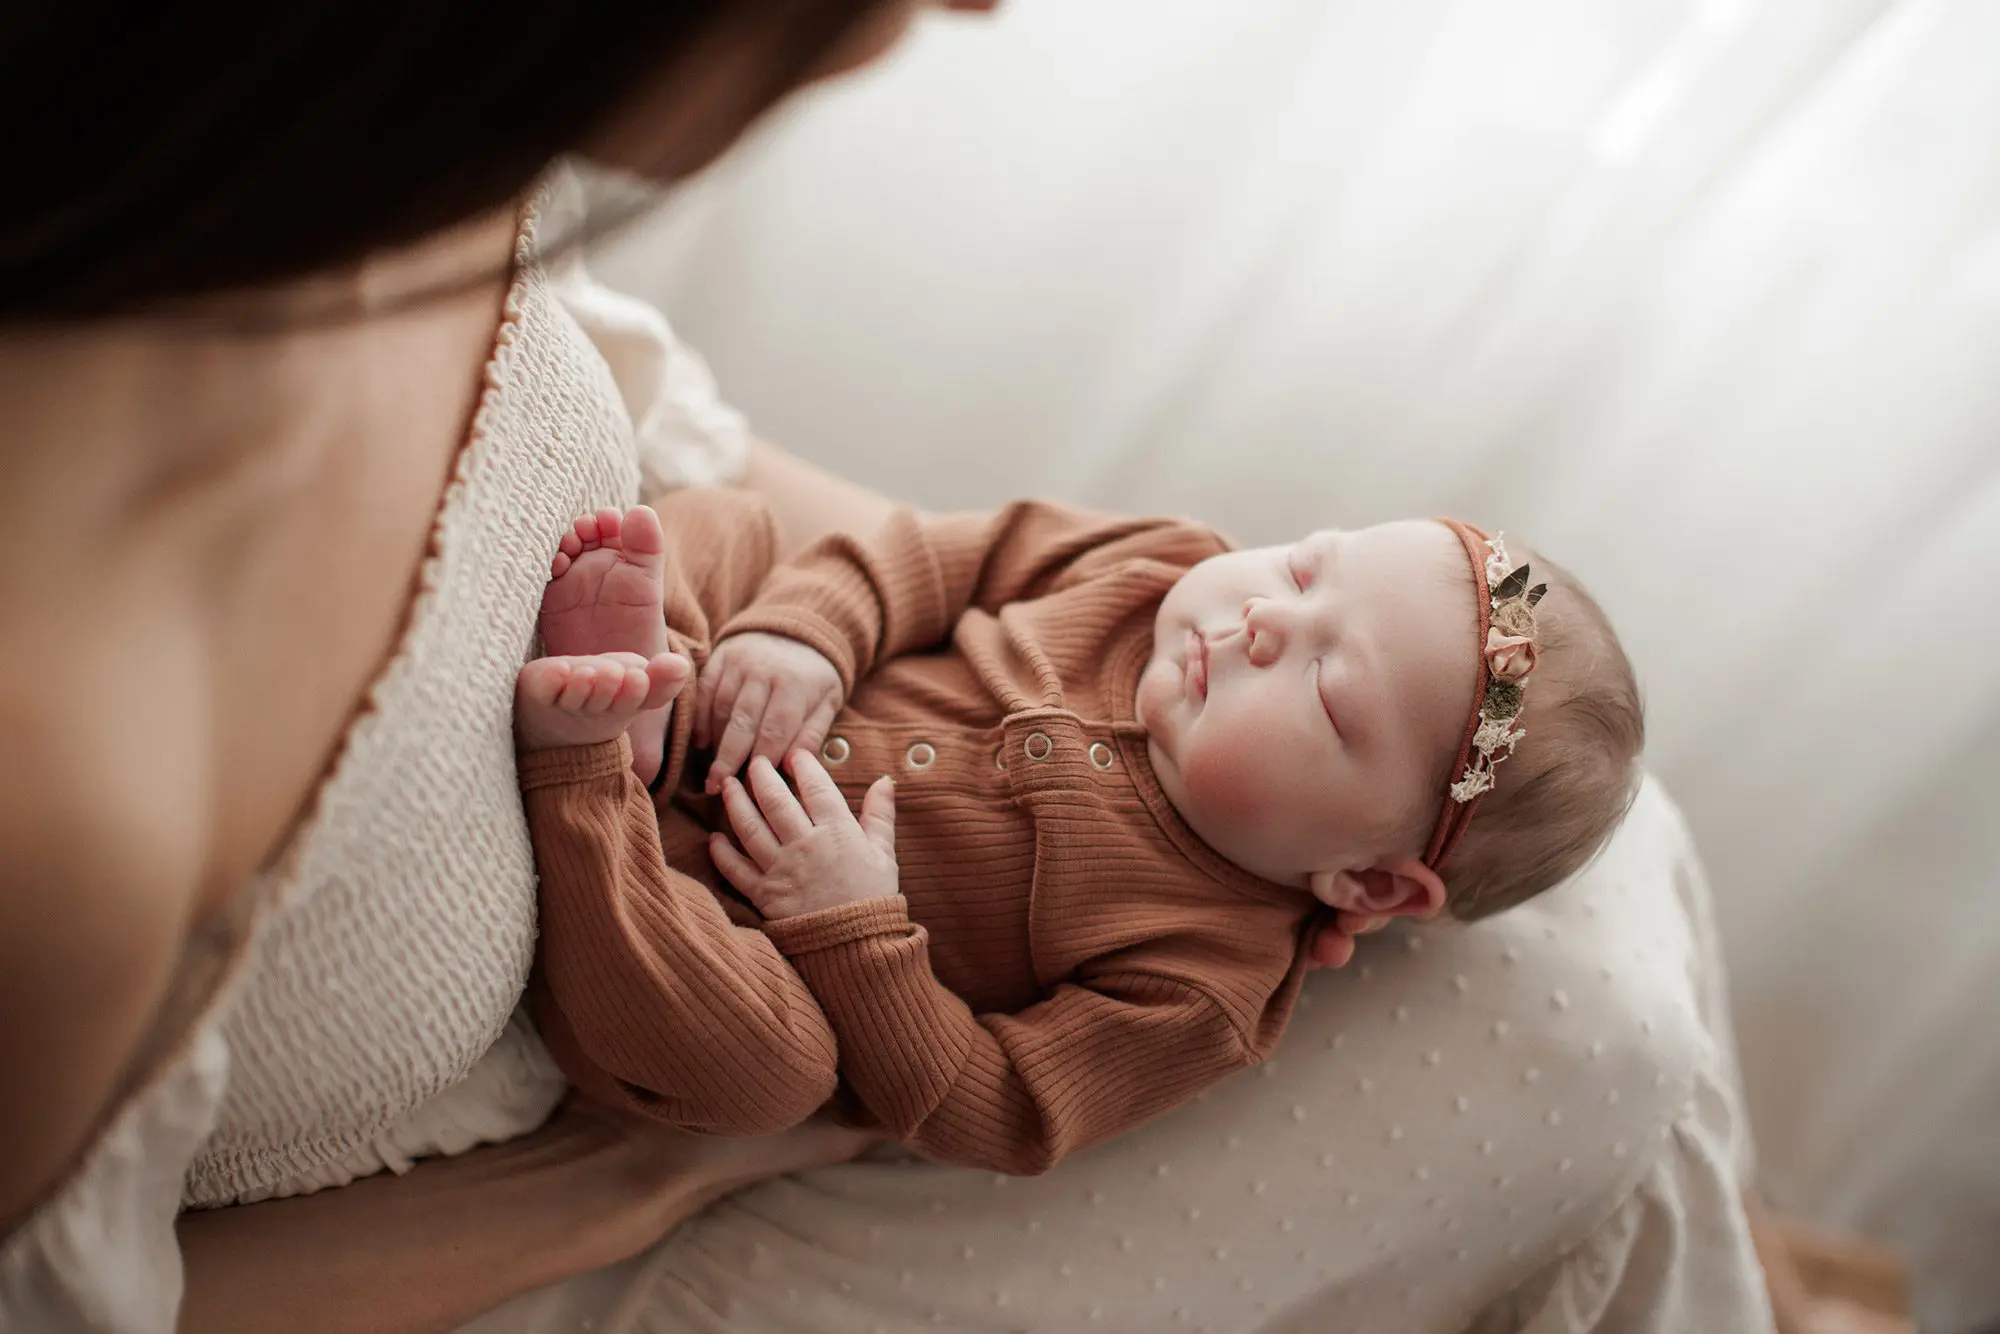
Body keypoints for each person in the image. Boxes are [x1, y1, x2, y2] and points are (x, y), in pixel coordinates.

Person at [0, 4, 1013, 1332]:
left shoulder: (386, 158)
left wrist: (1207, 612)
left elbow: (685, 447)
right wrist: (623, 1175)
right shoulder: (64, 781)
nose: (976, 13)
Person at [511, 486, 1643, 1171]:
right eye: (1306, 566)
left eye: (1323, 687)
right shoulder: (1156, 563)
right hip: (745, 695)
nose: (1260, 617)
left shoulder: (1205, 977)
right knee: (736, 525)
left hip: (713, 928)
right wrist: (811, 635)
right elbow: (932, 556)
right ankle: (664, 678)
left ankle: (584, 783)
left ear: (1367, 881)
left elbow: (997, 1108)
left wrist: (848, 928)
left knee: (769, 1073)